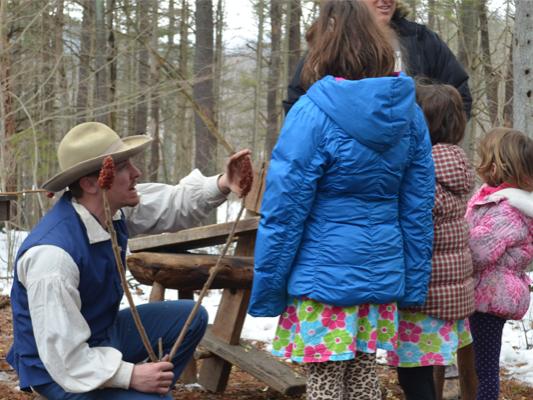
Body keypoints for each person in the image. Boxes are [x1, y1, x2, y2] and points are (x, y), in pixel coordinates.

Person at [247, 1, 435, 399]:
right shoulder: (410, 114)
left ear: (326, 48)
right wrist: (413, 284)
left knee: (326, 385)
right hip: (380, 277)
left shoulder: (312, 112)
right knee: (365, 381)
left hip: (323, 280)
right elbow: (417, 208)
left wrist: (268, 290)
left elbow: (283, 211)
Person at [7, 121, 252, 399]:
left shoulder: (112, 210)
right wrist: (131, 375)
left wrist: (223, 183)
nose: (137, 173)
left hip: (101, 337)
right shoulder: (53, 258)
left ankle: (148, 391)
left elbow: (171, 203)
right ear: (90, 183)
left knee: (191, 316)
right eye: (123, 167)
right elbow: (65, 358)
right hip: (60, 372)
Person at [386, 83, 476, 400]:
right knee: (421, 375)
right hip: (448, 293)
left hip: (424, 297)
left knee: (414, 378)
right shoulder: (456, 164)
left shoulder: (423, 171)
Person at [283, 0, 472, 118]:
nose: (385, 1)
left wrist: (429, 144)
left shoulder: (421, 39)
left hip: (412, 165)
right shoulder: (334, 43)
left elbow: (459, 96)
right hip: (344, 169)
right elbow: (297, 101)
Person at [465, 127, 533, 400]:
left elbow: (478, 253)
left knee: (485, 368)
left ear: (496, 165)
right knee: (481, 364)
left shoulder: (507, 209)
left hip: (491, 298)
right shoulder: (496, 199)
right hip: (486, 293)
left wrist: (454, 246)